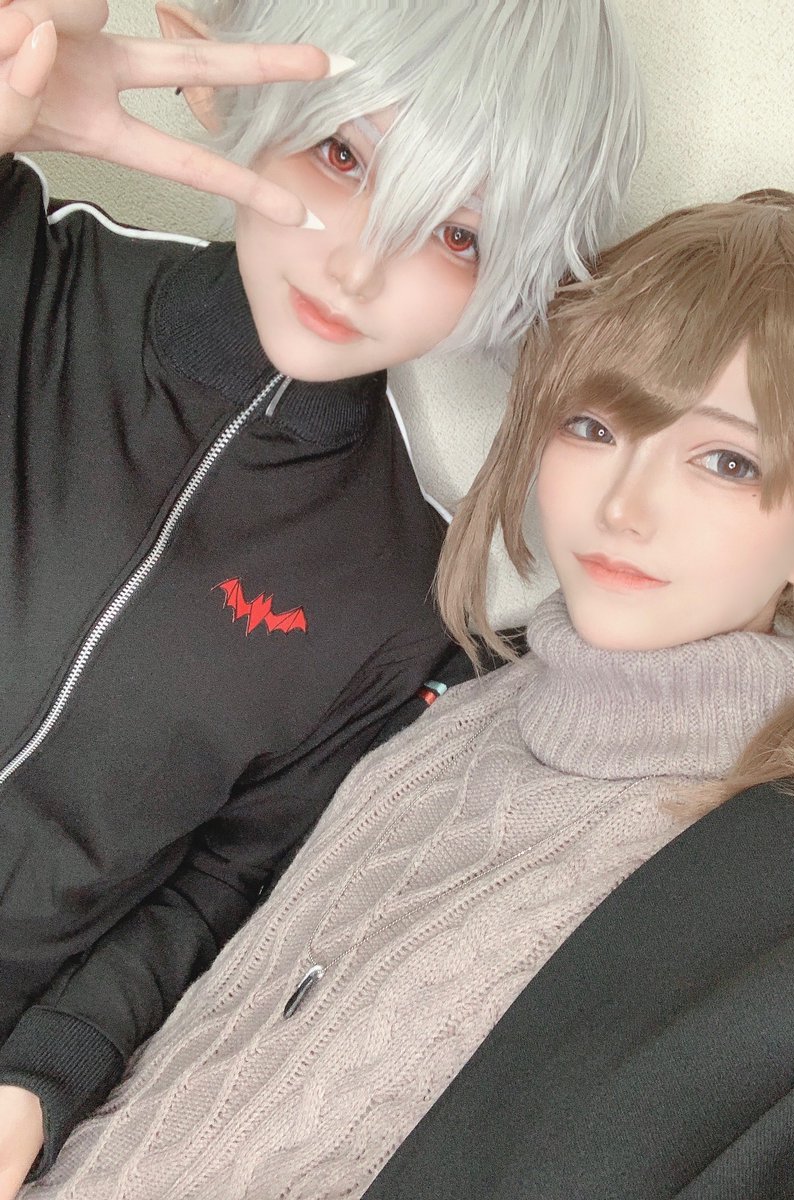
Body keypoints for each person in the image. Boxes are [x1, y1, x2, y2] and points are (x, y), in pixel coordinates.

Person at [25, 190, 794, 1200]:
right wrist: (43, 1077)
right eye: (593, 425)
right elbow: (221, 901)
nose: (626, 506)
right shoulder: (454, 688)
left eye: (726, 460)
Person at [0, 0, 645, 1187]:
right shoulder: (28, 267)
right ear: (238, 91)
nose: (359, 266)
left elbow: (220, 882)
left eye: (456, 234)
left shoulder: (408, 597)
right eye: (343, 155)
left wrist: (39, 1082)